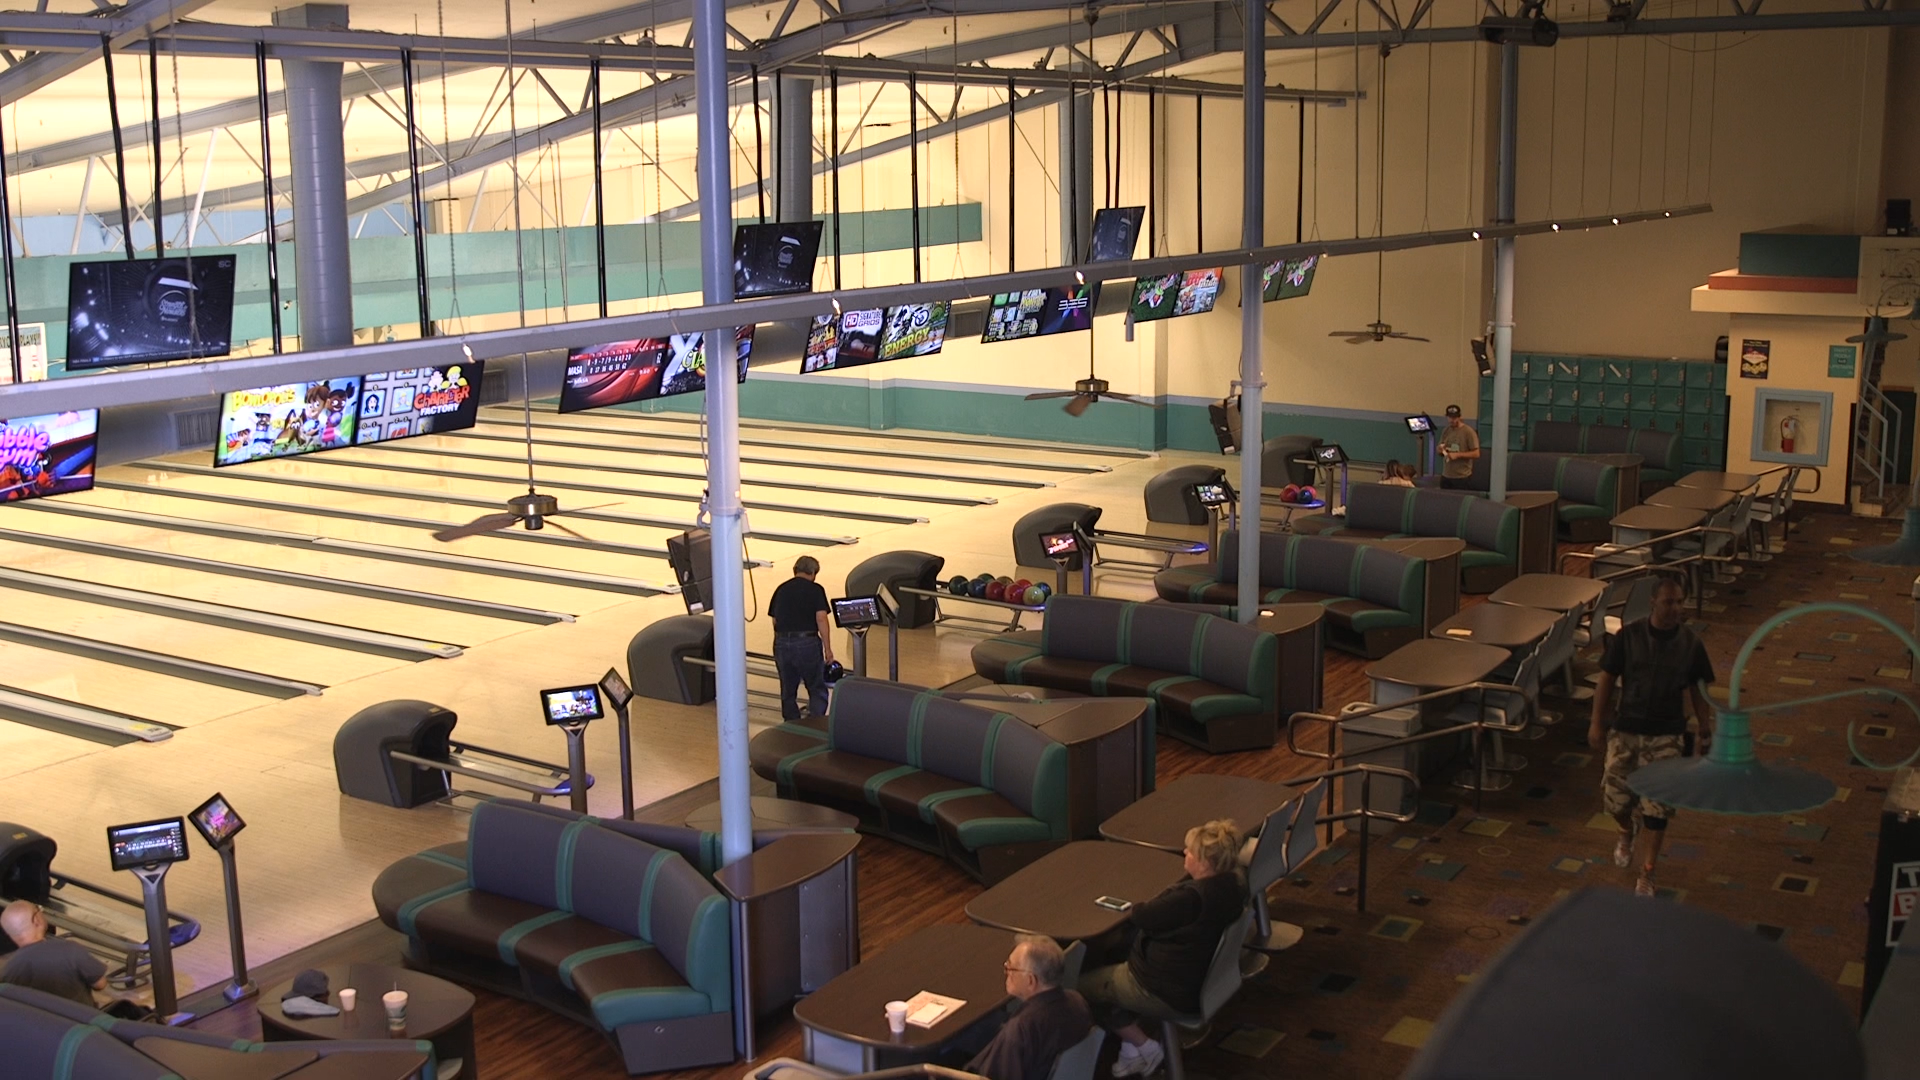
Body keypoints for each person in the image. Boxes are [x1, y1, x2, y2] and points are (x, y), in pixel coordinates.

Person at [1081, 819, 1247, 1077]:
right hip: (1196, 979)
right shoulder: (1234, 885)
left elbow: (1142, 914)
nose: (1185, 852)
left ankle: (1144, 1046)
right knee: (1117, 951)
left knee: (1080, 988)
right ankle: (1130, 1050)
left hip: (1163, 990)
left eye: (1190, 851)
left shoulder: (1189, 899)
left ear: (1205, 863)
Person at [1587, 575, 1716, 897]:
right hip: (1626, 729)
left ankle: (1648, 871)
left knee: (1656, 810)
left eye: (1680, 602)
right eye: (1669, 602)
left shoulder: (1690, 644)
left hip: (1667, 734)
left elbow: (1699, 689)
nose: (1676, 608)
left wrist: (1705, 728)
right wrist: (1596, 723)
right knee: (1615, 801)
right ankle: (1625, 830)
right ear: (1653, 603)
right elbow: (1606, 680)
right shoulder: (1629, 637)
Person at [966, 935, 1095, 1080]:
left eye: (1010, 968)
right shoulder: (1077, 1001)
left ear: (1030, 980)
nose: (1007, 972)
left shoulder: (1020, 1029)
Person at [0, 899, 108, 1008]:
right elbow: (100, 984)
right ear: (36, 920)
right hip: (81, 1017)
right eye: (38, 909)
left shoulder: (8, 971)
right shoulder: (69, 950)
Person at [768, 555, 834, 721]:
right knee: (816, 686)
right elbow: (821, 618)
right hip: (807, 642)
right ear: (813, 573)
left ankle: (791, 724)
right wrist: (828, 649)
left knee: (788, 688)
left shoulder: (781, 589)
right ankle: (816, 723)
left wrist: (782, 641)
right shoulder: (816, 589)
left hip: (782, 641)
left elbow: (775, 620)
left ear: (795, 570)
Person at [1438, 405, 1481, 488]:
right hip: (1446, 475)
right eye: (1450, 417)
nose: (1452, 420)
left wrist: (1458, 455)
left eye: (1454, 418)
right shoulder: (1446, 430)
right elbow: (1440, 446)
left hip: (1462, 476)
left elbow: (1476, 453)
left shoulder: (1468, 432)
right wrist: (1440, 450)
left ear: (1459, 417)